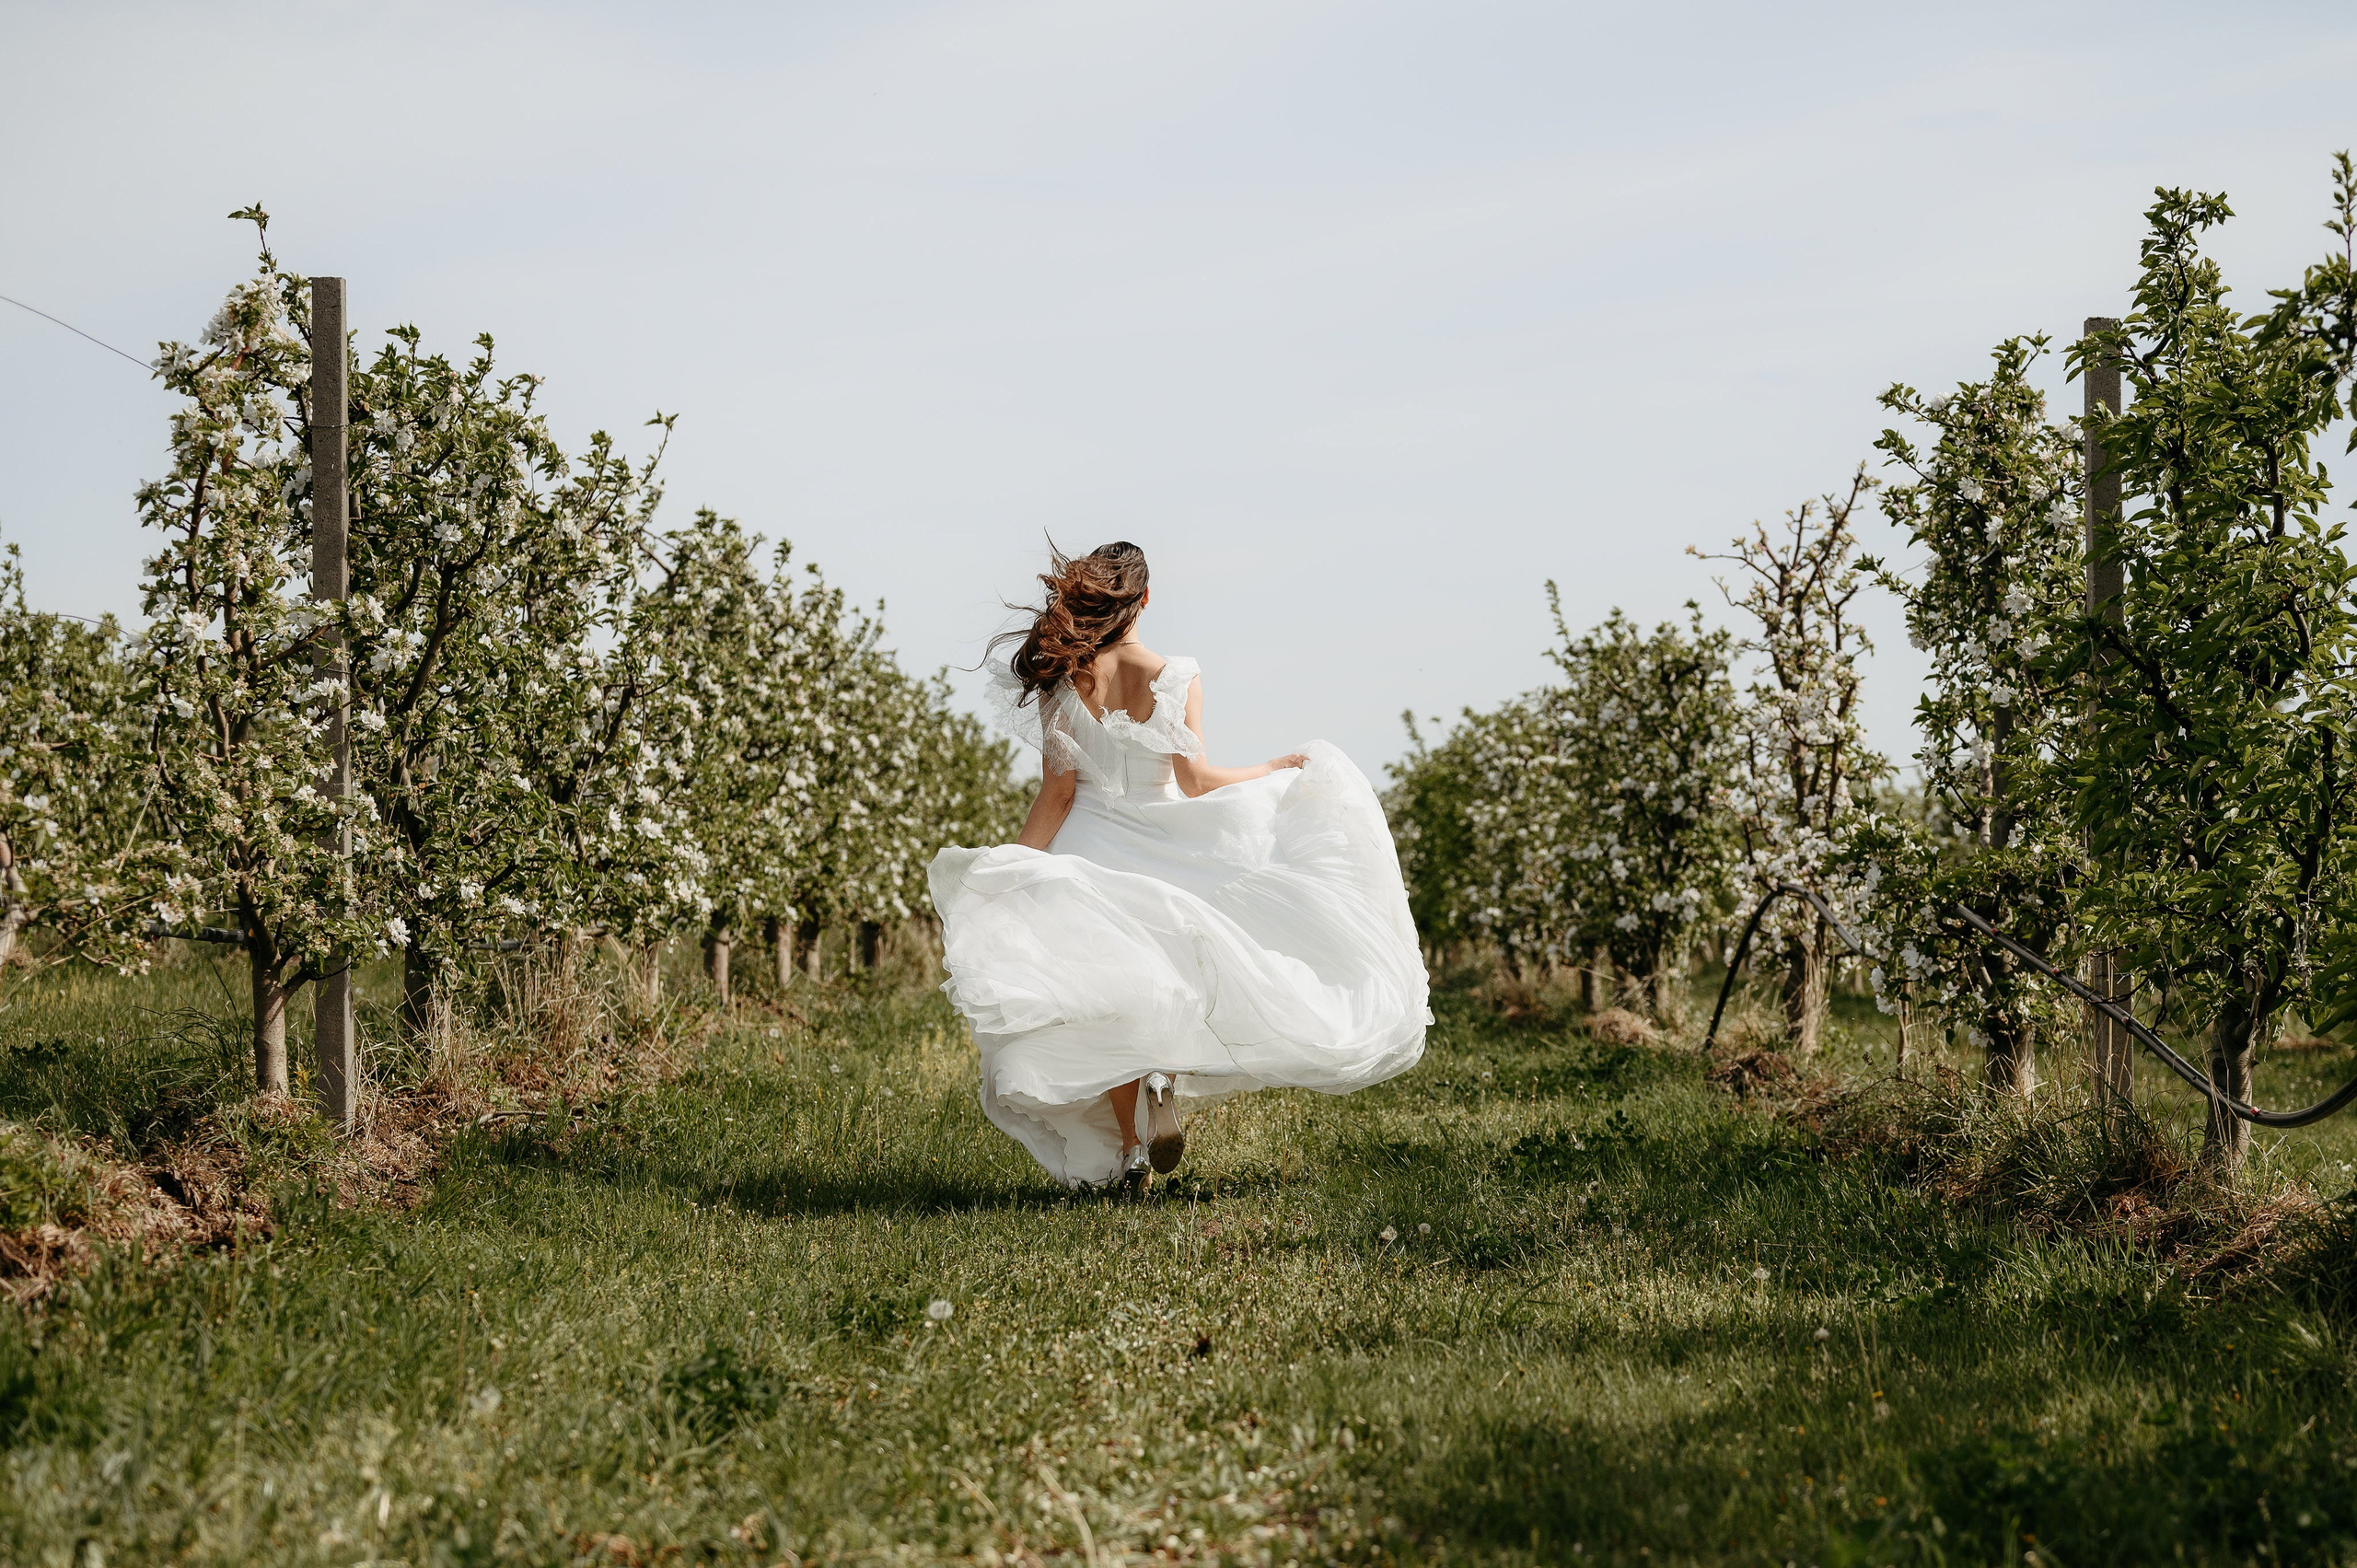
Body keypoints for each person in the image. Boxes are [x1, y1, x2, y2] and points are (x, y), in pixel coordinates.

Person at [927, 540, 1429, 1191]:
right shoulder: (1175, 675)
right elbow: (1194, 781)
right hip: (1160, 844)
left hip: (1089, 848)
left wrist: (1013, 867)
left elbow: (1058, 793)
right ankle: (1160, 1075)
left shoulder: (1064, 680)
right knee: (1161, 977)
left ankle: (1133, 1148)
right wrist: (1274, 769)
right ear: (1144, 598)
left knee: (1101, 996)